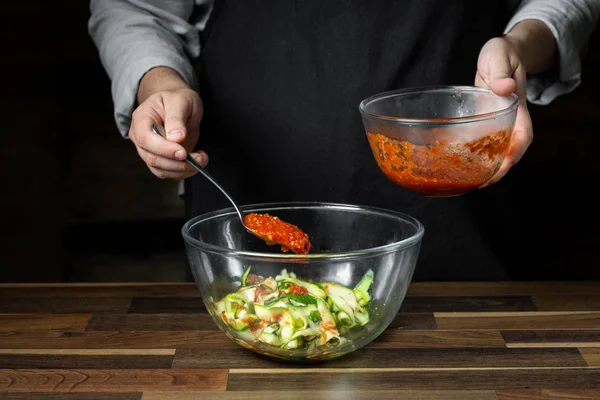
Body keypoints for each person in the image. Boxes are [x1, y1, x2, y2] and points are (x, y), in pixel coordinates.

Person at [88, 0, 599, 281]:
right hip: (250, 187)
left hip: (466, 201)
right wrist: (161, 84)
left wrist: (518, 47)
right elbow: (134, 8)